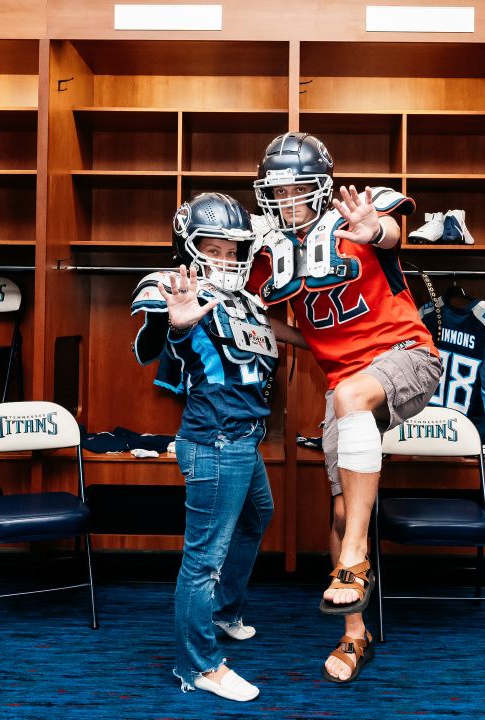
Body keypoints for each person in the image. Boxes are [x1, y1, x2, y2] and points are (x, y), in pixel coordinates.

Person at [249, 132, 443, 683]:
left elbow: (392, 230)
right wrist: (249, 321)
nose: (287, 200)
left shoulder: (357, 215)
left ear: (320, 187)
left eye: (297, 189)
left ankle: (354, 558)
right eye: (277, 191)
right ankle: (355, 635)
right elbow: (293, 328)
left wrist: (374, 229)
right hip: (343, 383)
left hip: (407, 357)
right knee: (339, 510)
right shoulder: (270, 257)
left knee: (351, 393)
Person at [131, 192, 276, 702]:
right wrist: (176, 324)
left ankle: (223, 613)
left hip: (245, 437)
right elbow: (150, 345)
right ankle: (198, 666)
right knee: (203, 560)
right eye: (213, 247)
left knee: (259, 517)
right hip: (215, 441)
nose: (225, 258)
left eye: (234, 248)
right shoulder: (173, 288)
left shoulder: (244, 299)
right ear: (189, 245)